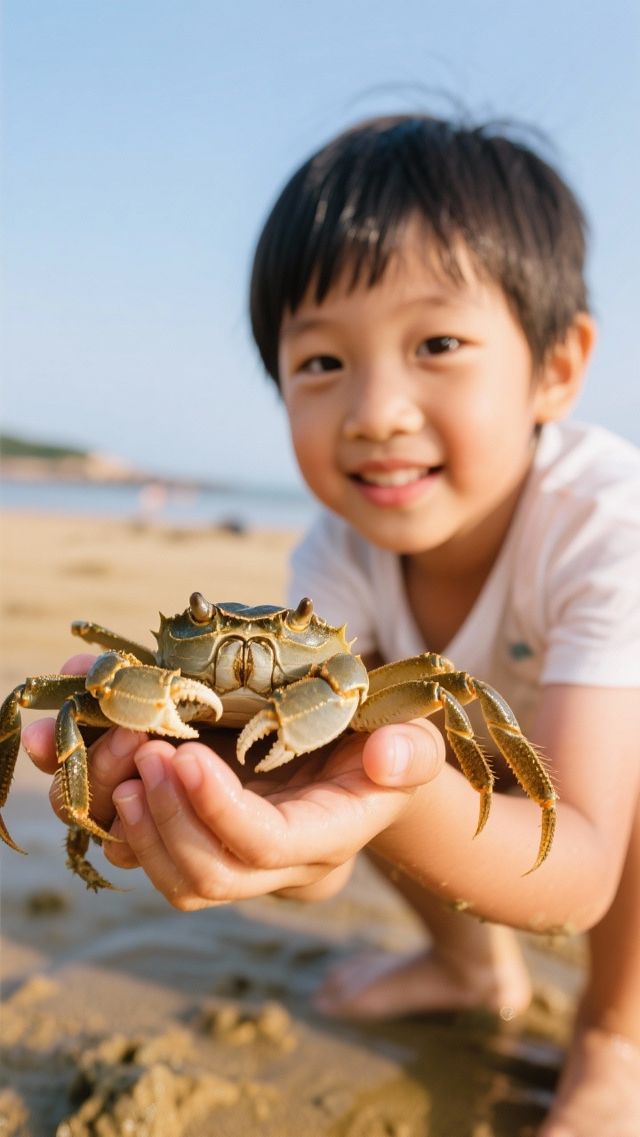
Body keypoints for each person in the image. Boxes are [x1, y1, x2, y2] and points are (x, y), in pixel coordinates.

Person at [23, 115, 640, 1136]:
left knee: (467, 750)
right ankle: (466, 965)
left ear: (557, 365)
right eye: (321, 362)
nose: (377, 410)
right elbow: (330, 806)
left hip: (604, 752)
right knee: (363, 741)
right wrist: (267, 838)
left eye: (437, 344)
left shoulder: (606, 525)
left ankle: (617, 1036)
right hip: (468, 732)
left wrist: (395, 796)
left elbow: (579, 875)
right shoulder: (334, 557)